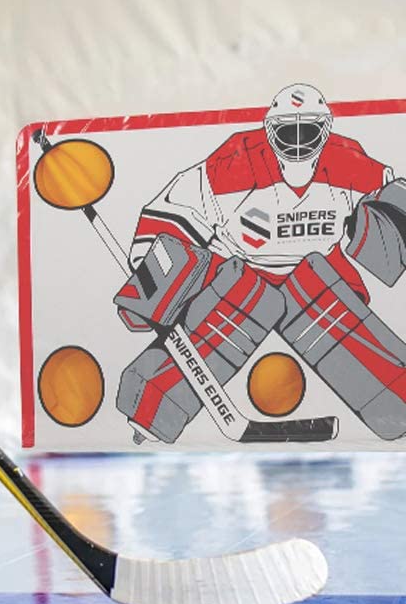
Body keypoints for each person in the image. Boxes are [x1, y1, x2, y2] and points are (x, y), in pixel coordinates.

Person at [113, 83, 406, 444]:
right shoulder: (231, 163)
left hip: (315, 269)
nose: (298, 141)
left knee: (339, 318)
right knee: (240, 303)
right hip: (243, 269)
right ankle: (150, 413)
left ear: (325, 129)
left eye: (308, 130)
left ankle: (399, 406)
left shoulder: (351, 163)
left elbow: (391, 201)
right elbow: (171, 212)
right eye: (288, 131)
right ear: (269, 130)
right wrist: (153, 277)